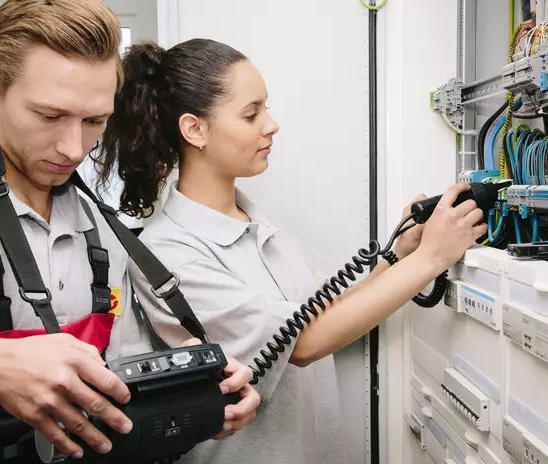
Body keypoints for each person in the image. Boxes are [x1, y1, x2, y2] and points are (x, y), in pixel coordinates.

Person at [99, 38, 487, 464]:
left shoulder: (257, 222)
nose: (271, 124)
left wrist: (403, 253)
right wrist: (433, 258)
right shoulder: (168, 251)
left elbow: (332, 309)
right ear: (195, 129)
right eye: (251, 114)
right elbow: (303, 343)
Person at [0, 4, 259, 463]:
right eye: (49, 116)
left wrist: (190, 388)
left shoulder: (98, 226)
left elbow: (112, 385)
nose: (74, 148)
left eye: (94, 121)